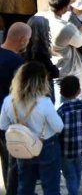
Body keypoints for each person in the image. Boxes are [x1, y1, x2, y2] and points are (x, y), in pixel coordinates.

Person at [0, 62, 63, 195]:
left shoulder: (9, 101)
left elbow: (3, 125)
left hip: (22, 147)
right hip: (46, 145)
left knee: (25, 186)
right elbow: (59, 127)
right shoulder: (45, 102)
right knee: (51, 186)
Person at [0, 22, 29, 195]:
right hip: (9, 118)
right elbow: (23, 94)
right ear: (23, 39)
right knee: (14, 162)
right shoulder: (17, 62)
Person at [57, 75, 82, 195]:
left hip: (65, 152)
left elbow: (57, 133)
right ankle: (75, 192)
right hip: (80, 149)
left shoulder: (61, 111)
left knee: (69, 176)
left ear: (61, 92)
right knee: (77, 173)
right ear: (78, 91)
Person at [41, 0, 82, 82]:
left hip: (48, 65)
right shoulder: (66, 27)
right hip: (66, 69)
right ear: (65, 7)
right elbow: (80, 43)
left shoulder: (39, 18)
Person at [23, 16, 59, 104]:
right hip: (42, 89)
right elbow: (54, 73)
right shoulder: (41, 51)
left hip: (26, 89)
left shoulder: (23, 47)